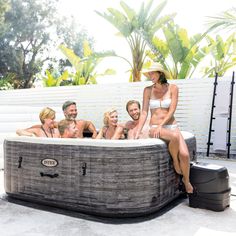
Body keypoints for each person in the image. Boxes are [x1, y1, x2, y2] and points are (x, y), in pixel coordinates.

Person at [134, 62, 193, 194]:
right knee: (175, 137)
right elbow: (144, 112)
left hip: (171, 125)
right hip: (154, 127)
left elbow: (172, 110)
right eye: (149, 73)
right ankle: (175, 162)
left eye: (152, 73)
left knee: (185, 154)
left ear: (160, 73)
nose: (150, 76)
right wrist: (138, 130)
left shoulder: (173, 88)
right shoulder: (147, 90)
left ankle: (186, 181)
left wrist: (162, 125)